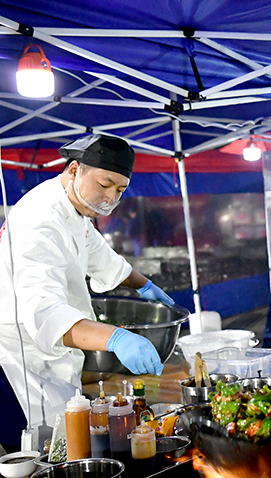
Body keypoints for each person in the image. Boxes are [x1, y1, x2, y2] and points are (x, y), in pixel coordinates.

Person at [0, 134, 174, 442]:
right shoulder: (41, 222)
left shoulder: (73, 209)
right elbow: (45, 314)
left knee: (67, 436)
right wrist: (117, 338)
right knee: (40, 447)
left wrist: (145, 286)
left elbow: (103, 257)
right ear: (73, 170)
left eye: (120, 190)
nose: (110, 198)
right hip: (24, 360)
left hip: (56, 359)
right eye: (105, 184)